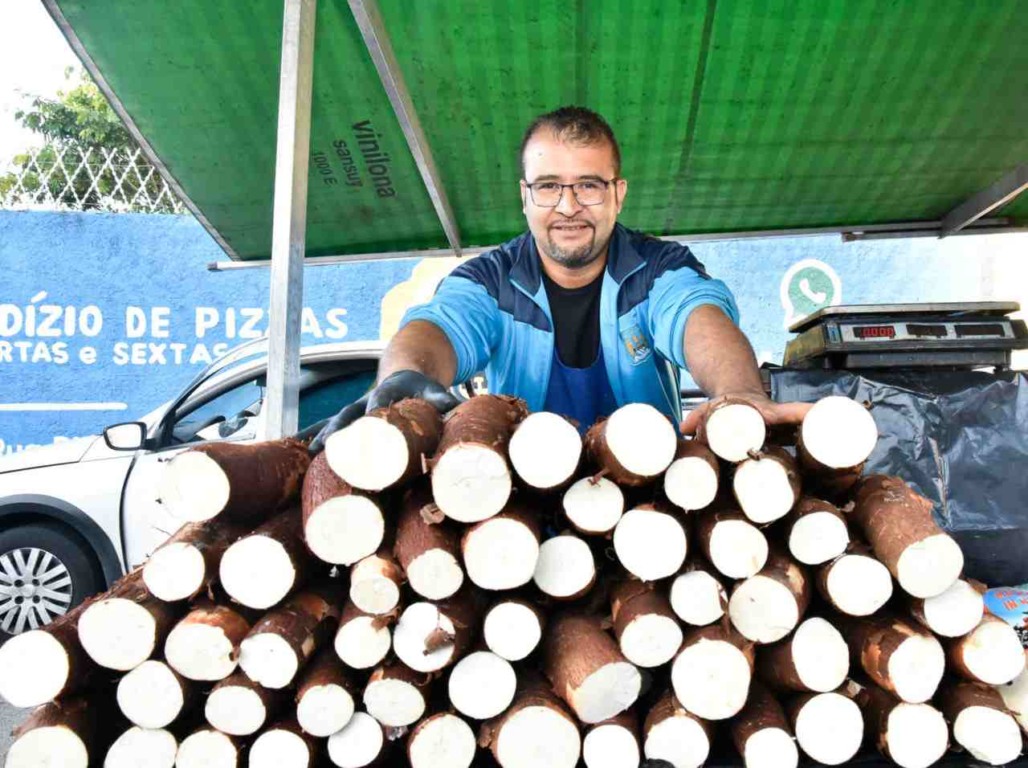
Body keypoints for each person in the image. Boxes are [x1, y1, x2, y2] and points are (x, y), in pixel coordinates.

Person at [311, 106, 809, 451]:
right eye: (549, 187)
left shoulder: (658, 268)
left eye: (588, 186)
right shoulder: (493, 279)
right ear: (525, 196)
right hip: (519, 518)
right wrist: (403, 378)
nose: (568, 207)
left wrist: (740, 392)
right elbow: (437, 326)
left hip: (654, 511)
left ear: (618, 194)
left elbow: (699, 317)